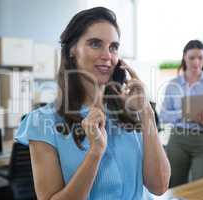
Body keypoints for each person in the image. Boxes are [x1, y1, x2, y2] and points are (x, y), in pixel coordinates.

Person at [15, 7, 170, 200]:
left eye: (113, 47)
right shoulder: (42, 122)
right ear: (72, 50)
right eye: (95, 44)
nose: (107, 56)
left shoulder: (130, 112)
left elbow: (160, 186)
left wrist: (146, 111)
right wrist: (95, 152)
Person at [159, 40, 203, 187]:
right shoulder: (173, 84)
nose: (196, 62)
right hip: (178, 139)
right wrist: (186, 113)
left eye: (200, 58)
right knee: (174, 185)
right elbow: (163, 115)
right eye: (192, 57)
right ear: (184, 58)